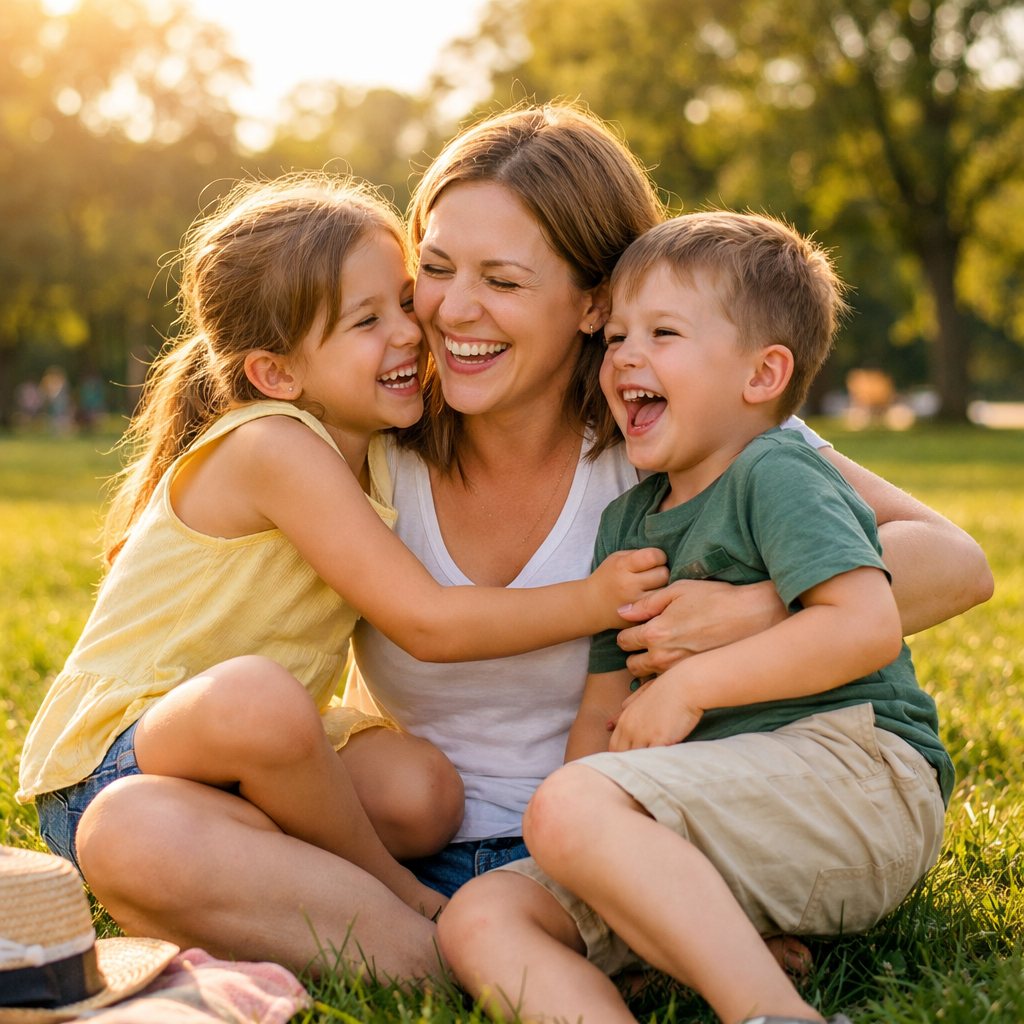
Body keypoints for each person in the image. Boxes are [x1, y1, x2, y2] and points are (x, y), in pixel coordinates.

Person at [342, 103, 990, 915]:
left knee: (506, 914)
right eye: (434, 269)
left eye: (501, 280)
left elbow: (955, 563)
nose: (452, 310)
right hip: (412, 835)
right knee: (149, 829)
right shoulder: (371, 432)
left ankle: (499, 941)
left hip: (631, 829)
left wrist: (756, 612)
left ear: (593, 303)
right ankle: (490, 938)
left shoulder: (678, 421)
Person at [16, 173, 669, 976]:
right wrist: (595, 599)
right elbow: (427, 622)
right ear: (277, 375)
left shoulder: (370, 441)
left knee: (423, 791)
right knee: (255, 699)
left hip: (253, 752)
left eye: (402, 299)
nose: (410, 331)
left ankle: (372, 912)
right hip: (127, 755)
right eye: (368, 320)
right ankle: (420, 919)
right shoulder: (275, 447)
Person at [438, 212, 954, 1024]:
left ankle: (777, 1015)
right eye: (617, 337)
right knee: (481, 916)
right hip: (713, 814)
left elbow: (865, 625)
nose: (626, 356)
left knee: (571, 808)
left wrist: (695, 685)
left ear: (762, 375)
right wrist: (573, 839)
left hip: (856, 775)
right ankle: (694, 954)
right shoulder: (629, 524)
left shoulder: (776, 471)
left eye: (664, 333)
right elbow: (602, 712)